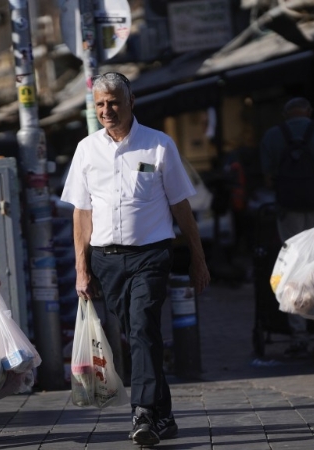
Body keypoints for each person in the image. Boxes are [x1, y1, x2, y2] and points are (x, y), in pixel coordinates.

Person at [60, 72, 210, 446]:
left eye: (113, 102)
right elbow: (81, 214)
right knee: (140, 336)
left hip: (150, 256)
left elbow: (181, 205)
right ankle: (165, 414)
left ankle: (142, 412)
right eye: (100, 104)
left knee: (143, 327)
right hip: (106, 261)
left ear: (130, 103)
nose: (106, 110)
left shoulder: (158, 146)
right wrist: (81, 268)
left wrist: (198, 257)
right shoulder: (86, 150)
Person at [260, 97, 314, 358]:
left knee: (294, 270)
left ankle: (299, 337)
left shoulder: (273, 135)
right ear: (309, 111)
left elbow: (266, 176)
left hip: (288, 212)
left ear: (286, 113)